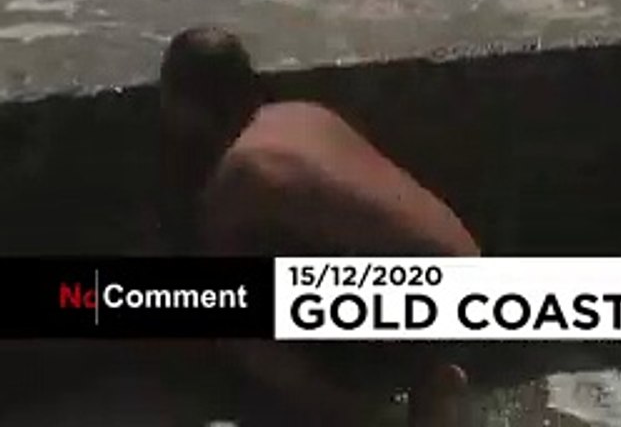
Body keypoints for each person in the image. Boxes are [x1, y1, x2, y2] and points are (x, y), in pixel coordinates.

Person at [158, 26, 480, 427]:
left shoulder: (240, 173)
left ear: (188, 107)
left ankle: (372, 411)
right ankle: (431, 373)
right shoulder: (306, 115)